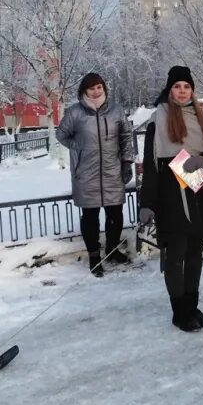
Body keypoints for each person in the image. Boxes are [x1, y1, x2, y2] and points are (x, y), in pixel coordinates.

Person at [138, 66, 203, 332]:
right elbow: (151, 165)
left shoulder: (200, 116)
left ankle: (192, 305)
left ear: (192, 90)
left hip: (197, 188)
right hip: (171, 193)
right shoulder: (158, 118)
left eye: (186, 86)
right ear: (169, 89)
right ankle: (179, 311)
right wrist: (147, 203)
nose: (182, 91)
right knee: (176, 252)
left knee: (196, 251)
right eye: (177, 86)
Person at [56, 73, 135, 277]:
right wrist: (78, 147)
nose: (96, 91)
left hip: (112, 171)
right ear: (84, 90)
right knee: (90, 217)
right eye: (92, 88)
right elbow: (61, 135)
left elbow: (126, 136)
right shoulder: (75, 112)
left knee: (115, 215)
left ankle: (112, 250)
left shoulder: (116, 111)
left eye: (99, 87)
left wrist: (127, 161)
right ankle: (94, 256)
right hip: (86, 173)